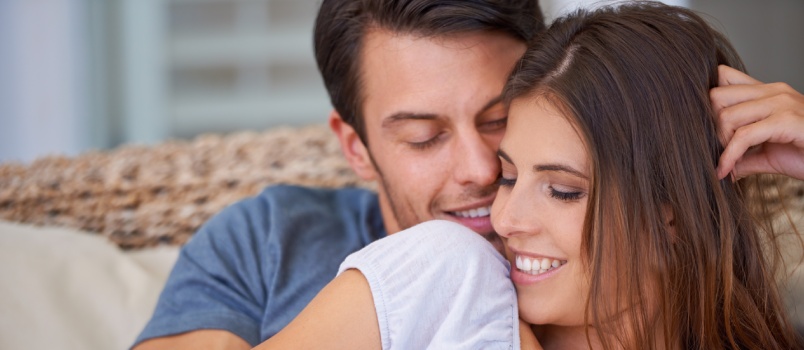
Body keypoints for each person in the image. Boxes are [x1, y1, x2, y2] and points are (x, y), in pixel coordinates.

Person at [134, 0, 804, 348]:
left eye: (499, 121)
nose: (484, 175)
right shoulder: (276, 242)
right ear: (356, 146)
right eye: (423, 136)